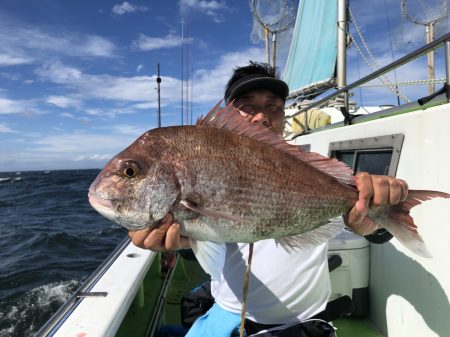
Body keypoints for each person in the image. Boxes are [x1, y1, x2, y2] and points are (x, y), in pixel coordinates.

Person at [129, 62, 408, 336]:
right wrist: (175, 241)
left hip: (304, 322)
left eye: (273, 106)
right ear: (228, 114)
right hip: (226, 313)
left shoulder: (315, 168)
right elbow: (202, 243)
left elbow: (376, 234)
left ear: (283, 115)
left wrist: (375, 222)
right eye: (247, 106)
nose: (261, 116)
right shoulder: (206, 166)